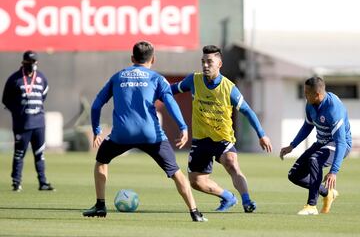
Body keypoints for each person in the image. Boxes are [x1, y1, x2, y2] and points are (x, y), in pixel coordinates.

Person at [82, 41, 207, 222]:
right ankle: (195, 212)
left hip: (121, 135)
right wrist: (183, 127)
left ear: (132, 58)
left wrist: (96, 130)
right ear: (153, 59)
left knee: (101, 161)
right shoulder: (156, 78)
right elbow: (170, 103)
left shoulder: (117, 77)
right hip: (151, 135)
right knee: (176, 172)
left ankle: (100, 205)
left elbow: (96, 105)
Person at [171, 45, 272, 213]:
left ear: (219, 64)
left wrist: (262, 135)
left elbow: (247, 111)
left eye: (209, 62)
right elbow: (170, 90)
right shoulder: (193, 80)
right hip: (201, 139)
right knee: (196, 182)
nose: (205, 65)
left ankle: (247, 201)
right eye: (203, 62)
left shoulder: (229, 88)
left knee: (231, 162)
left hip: (222, 138)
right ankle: (227, 197)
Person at [280, 76, 352, 215]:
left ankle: (311, 206)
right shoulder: (310, 104)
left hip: (340, 144)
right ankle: (328, 193)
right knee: (294, 175)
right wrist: (292, 145)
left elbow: (341, 142)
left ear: (317, 94)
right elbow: (307, 126)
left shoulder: (333, 109)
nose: (304, 95)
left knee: (315, 160)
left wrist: (334, 171)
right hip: (321, 143)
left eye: (307, 93)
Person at [2, 50, 55, 191]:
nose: (31, 65)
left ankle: (43, 182)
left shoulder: (41, 78)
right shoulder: (14, 79)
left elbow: (43, 95)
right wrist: (18, 112)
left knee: (40, 154)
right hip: (22, 124)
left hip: (39, 123)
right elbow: (5, 99)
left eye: (33, 62)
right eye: (28, 62)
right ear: (23, 63)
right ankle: (16, 182)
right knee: (19, 154)